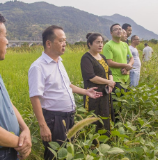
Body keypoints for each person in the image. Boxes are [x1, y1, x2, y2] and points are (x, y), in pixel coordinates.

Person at [28, 25, 102, 160]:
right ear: (49, 43)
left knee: (67, 154)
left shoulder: (59, 62)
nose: (64, 44)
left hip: (68, 118)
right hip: (54, 119)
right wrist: (43, 126)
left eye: (65, 41)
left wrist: (86, 92)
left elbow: (67, 86)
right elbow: (34, 97)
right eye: (61, 41)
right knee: (55, 155)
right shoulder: (38, 67)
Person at [0, 14, 32, 160]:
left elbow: (8, 104)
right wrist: (21, 143)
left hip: (11, 149)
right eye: (4, 35)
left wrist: (25, 128)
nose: (7, 41)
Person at [81, 33, 116, 135]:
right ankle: (94, 144)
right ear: (90, 44)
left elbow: (109, 72)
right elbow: (91, 77)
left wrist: (110, 84)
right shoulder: (86, 58)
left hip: (105, 93)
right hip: (93, 94)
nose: (101, 45)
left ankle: (106, 140)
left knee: (105, 115)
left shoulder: (103, 57)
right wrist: (108, 82)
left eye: (102, 42)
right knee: (94, 118)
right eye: (97, 42)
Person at [103, 23, 134, 92]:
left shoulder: (125, 44)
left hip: (126, 78)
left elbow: (131, 58)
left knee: (126, 101)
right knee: (116, 102)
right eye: (116, 29)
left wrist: (129, 65)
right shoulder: (108, 45)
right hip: (115, 80)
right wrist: (125, 65)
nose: (119, 31)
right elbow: (109, 62)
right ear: (111, 33)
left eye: (120, 29)